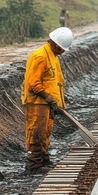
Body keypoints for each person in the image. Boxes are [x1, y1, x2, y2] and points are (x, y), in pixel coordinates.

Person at [22, 27, 73, 173]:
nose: (63, 52)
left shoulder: (52, 56)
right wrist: (49, 99)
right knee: (36, 132)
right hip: (37, 103)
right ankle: (34, 165)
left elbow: (54, 82)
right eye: (63, 49)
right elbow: (33, 83)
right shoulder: (40, 56)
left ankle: (43, 159)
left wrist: (57, 101)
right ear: (57, 45)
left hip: (47, 104)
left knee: (45, 132)